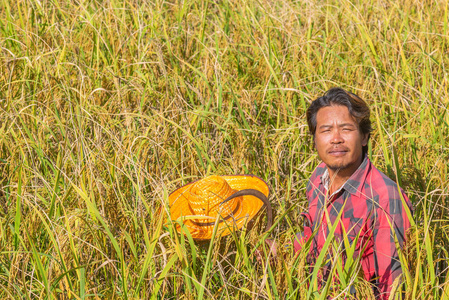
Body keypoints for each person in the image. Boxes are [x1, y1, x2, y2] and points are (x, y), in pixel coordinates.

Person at [291, 87, 413, 299]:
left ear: (364, 137)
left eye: (346, 129)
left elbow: (392, 290)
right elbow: (312, 241)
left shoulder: (386, 199)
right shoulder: (318, 177)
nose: (336, 138)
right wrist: (282, 252)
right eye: (326, 130)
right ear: (314, 139)